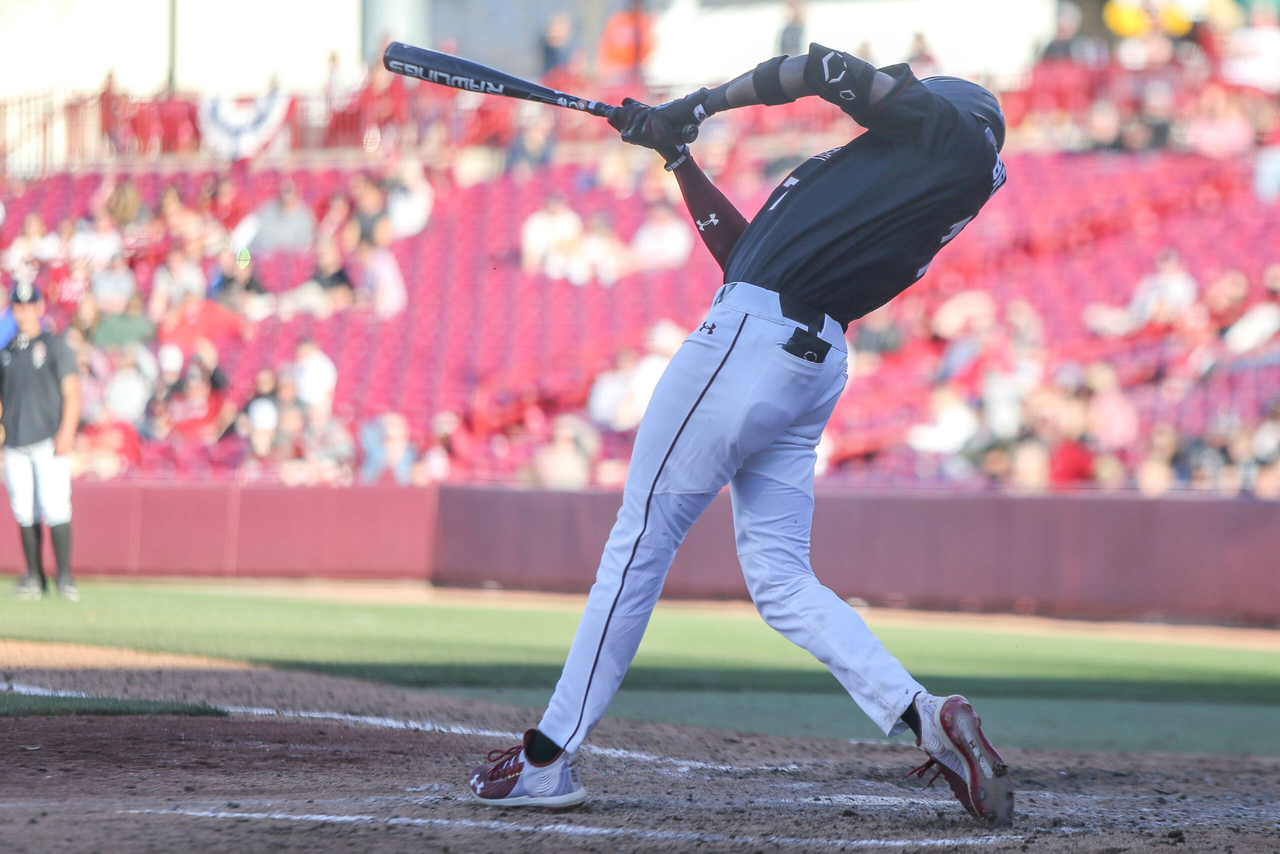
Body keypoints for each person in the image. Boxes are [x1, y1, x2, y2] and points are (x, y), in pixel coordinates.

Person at [466, 42, 1014, 826]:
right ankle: (924, 715)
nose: (903, 91)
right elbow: (744, 252)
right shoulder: (899, 178)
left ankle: (548, 757)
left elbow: (824, 67)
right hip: (807, 358)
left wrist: (703, 101)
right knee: (783, 581)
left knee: (640, 537)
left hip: (750, 344)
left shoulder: (947, 134)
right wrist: (679, 155)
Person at [1, 283, 81, 601]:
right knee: (24, 510)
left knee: (56, 505)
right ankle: (34, 576)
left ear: (39, 307)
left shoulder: (54, 345)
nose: (24, 311)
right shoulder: (7, 351)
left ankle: (64, 577)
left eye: (28, 305)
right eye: (18, 306)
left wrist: (67, 431)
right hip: (16, 441)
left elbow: (71, 391)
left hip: (48, 439)